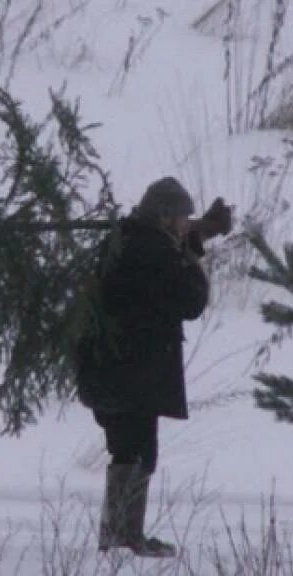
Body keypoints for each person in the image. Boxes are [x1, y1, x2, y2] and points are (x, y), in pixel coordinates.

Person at [75, 176, 234, 557]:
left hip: (114, 369)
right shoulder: (154, 251)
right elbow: (190, 299)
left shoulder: (129, 241)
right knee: (137, 452)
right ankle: (124, 537)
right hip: (134, 372)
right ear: (164, 217)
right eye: (182, 217)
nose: (185, 223)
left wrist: (196, 236)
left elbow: (161, 264)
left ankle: (120, 534)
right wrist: (193, 255)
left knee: (127, 450)